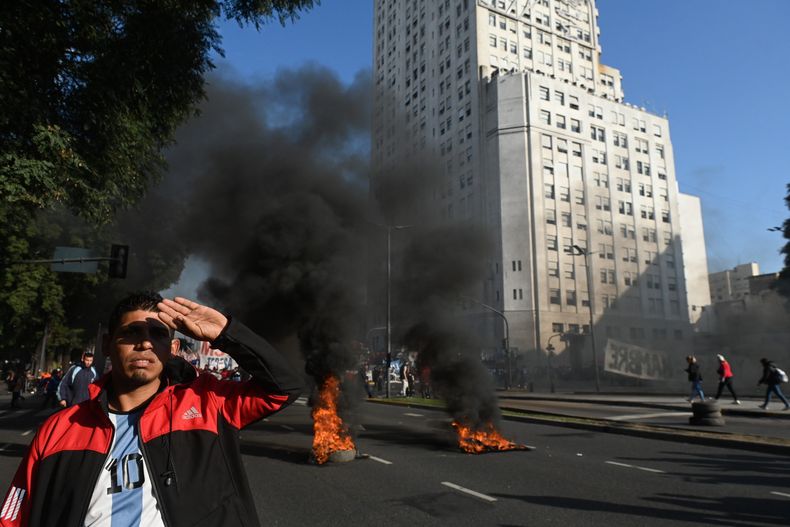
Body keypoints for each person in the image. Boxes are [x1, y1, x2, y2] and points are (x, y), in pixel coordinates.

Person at [0, 292, 304, 526]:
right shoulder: (59, 429)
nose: (145, 344)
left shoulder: (206, 402)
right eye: (132, 333)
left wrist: (227, 333)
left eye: (157, 334)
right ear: (108, 345)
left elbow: (284, 387)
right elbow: (14, 516)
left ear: (170, 348)